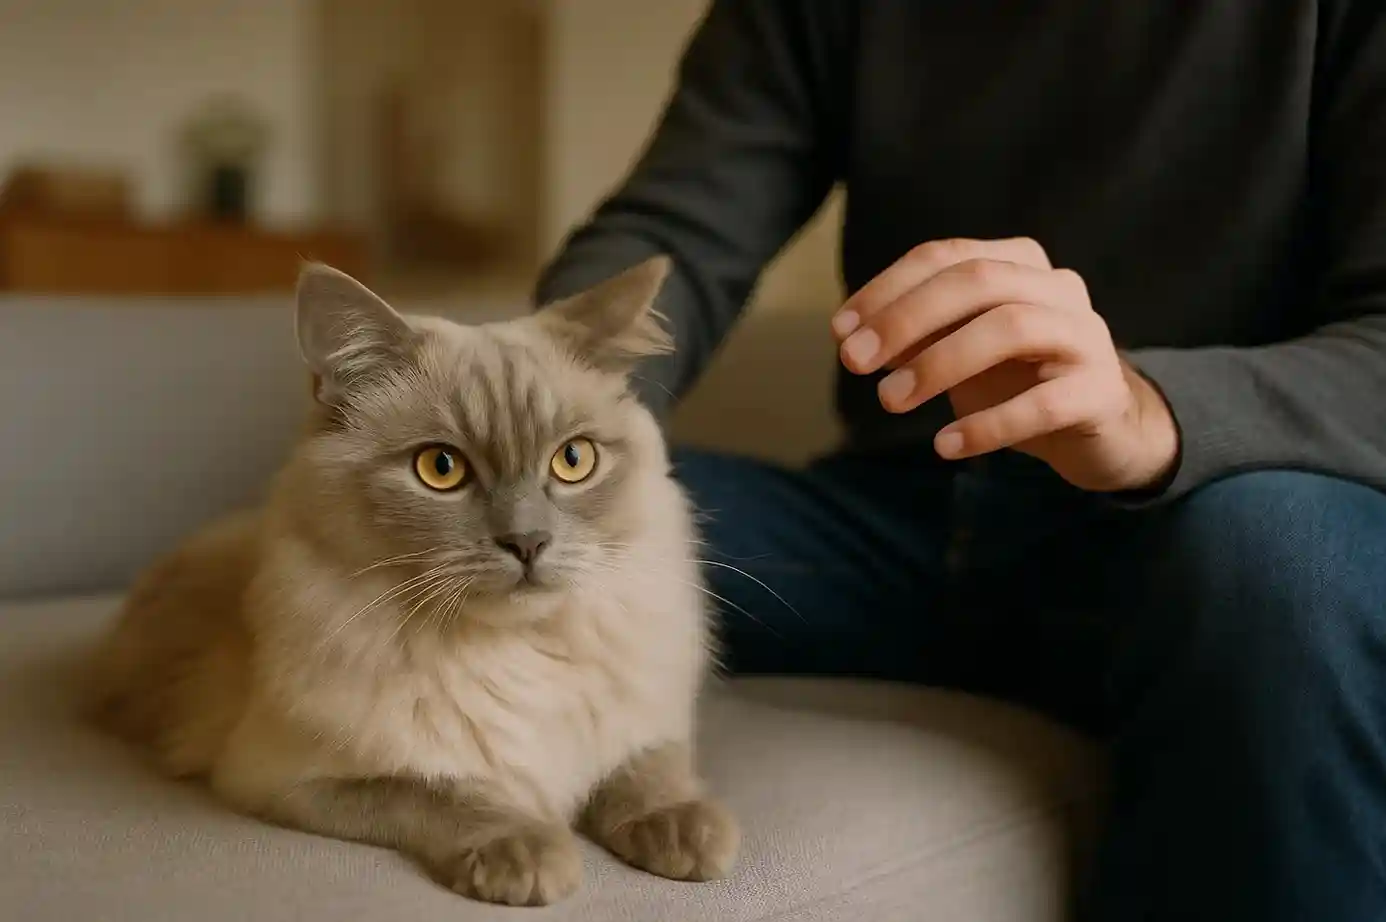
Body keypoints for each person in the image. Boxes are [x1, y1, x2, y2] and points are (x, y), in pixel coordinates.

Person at [535, 4, 1386, 920]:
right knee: (517, 525)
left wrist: (1149, 410)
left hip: (1208, 534)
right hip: (894, 531)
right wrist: (531, 396)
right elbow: (679, 234)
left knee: (1280, 558)